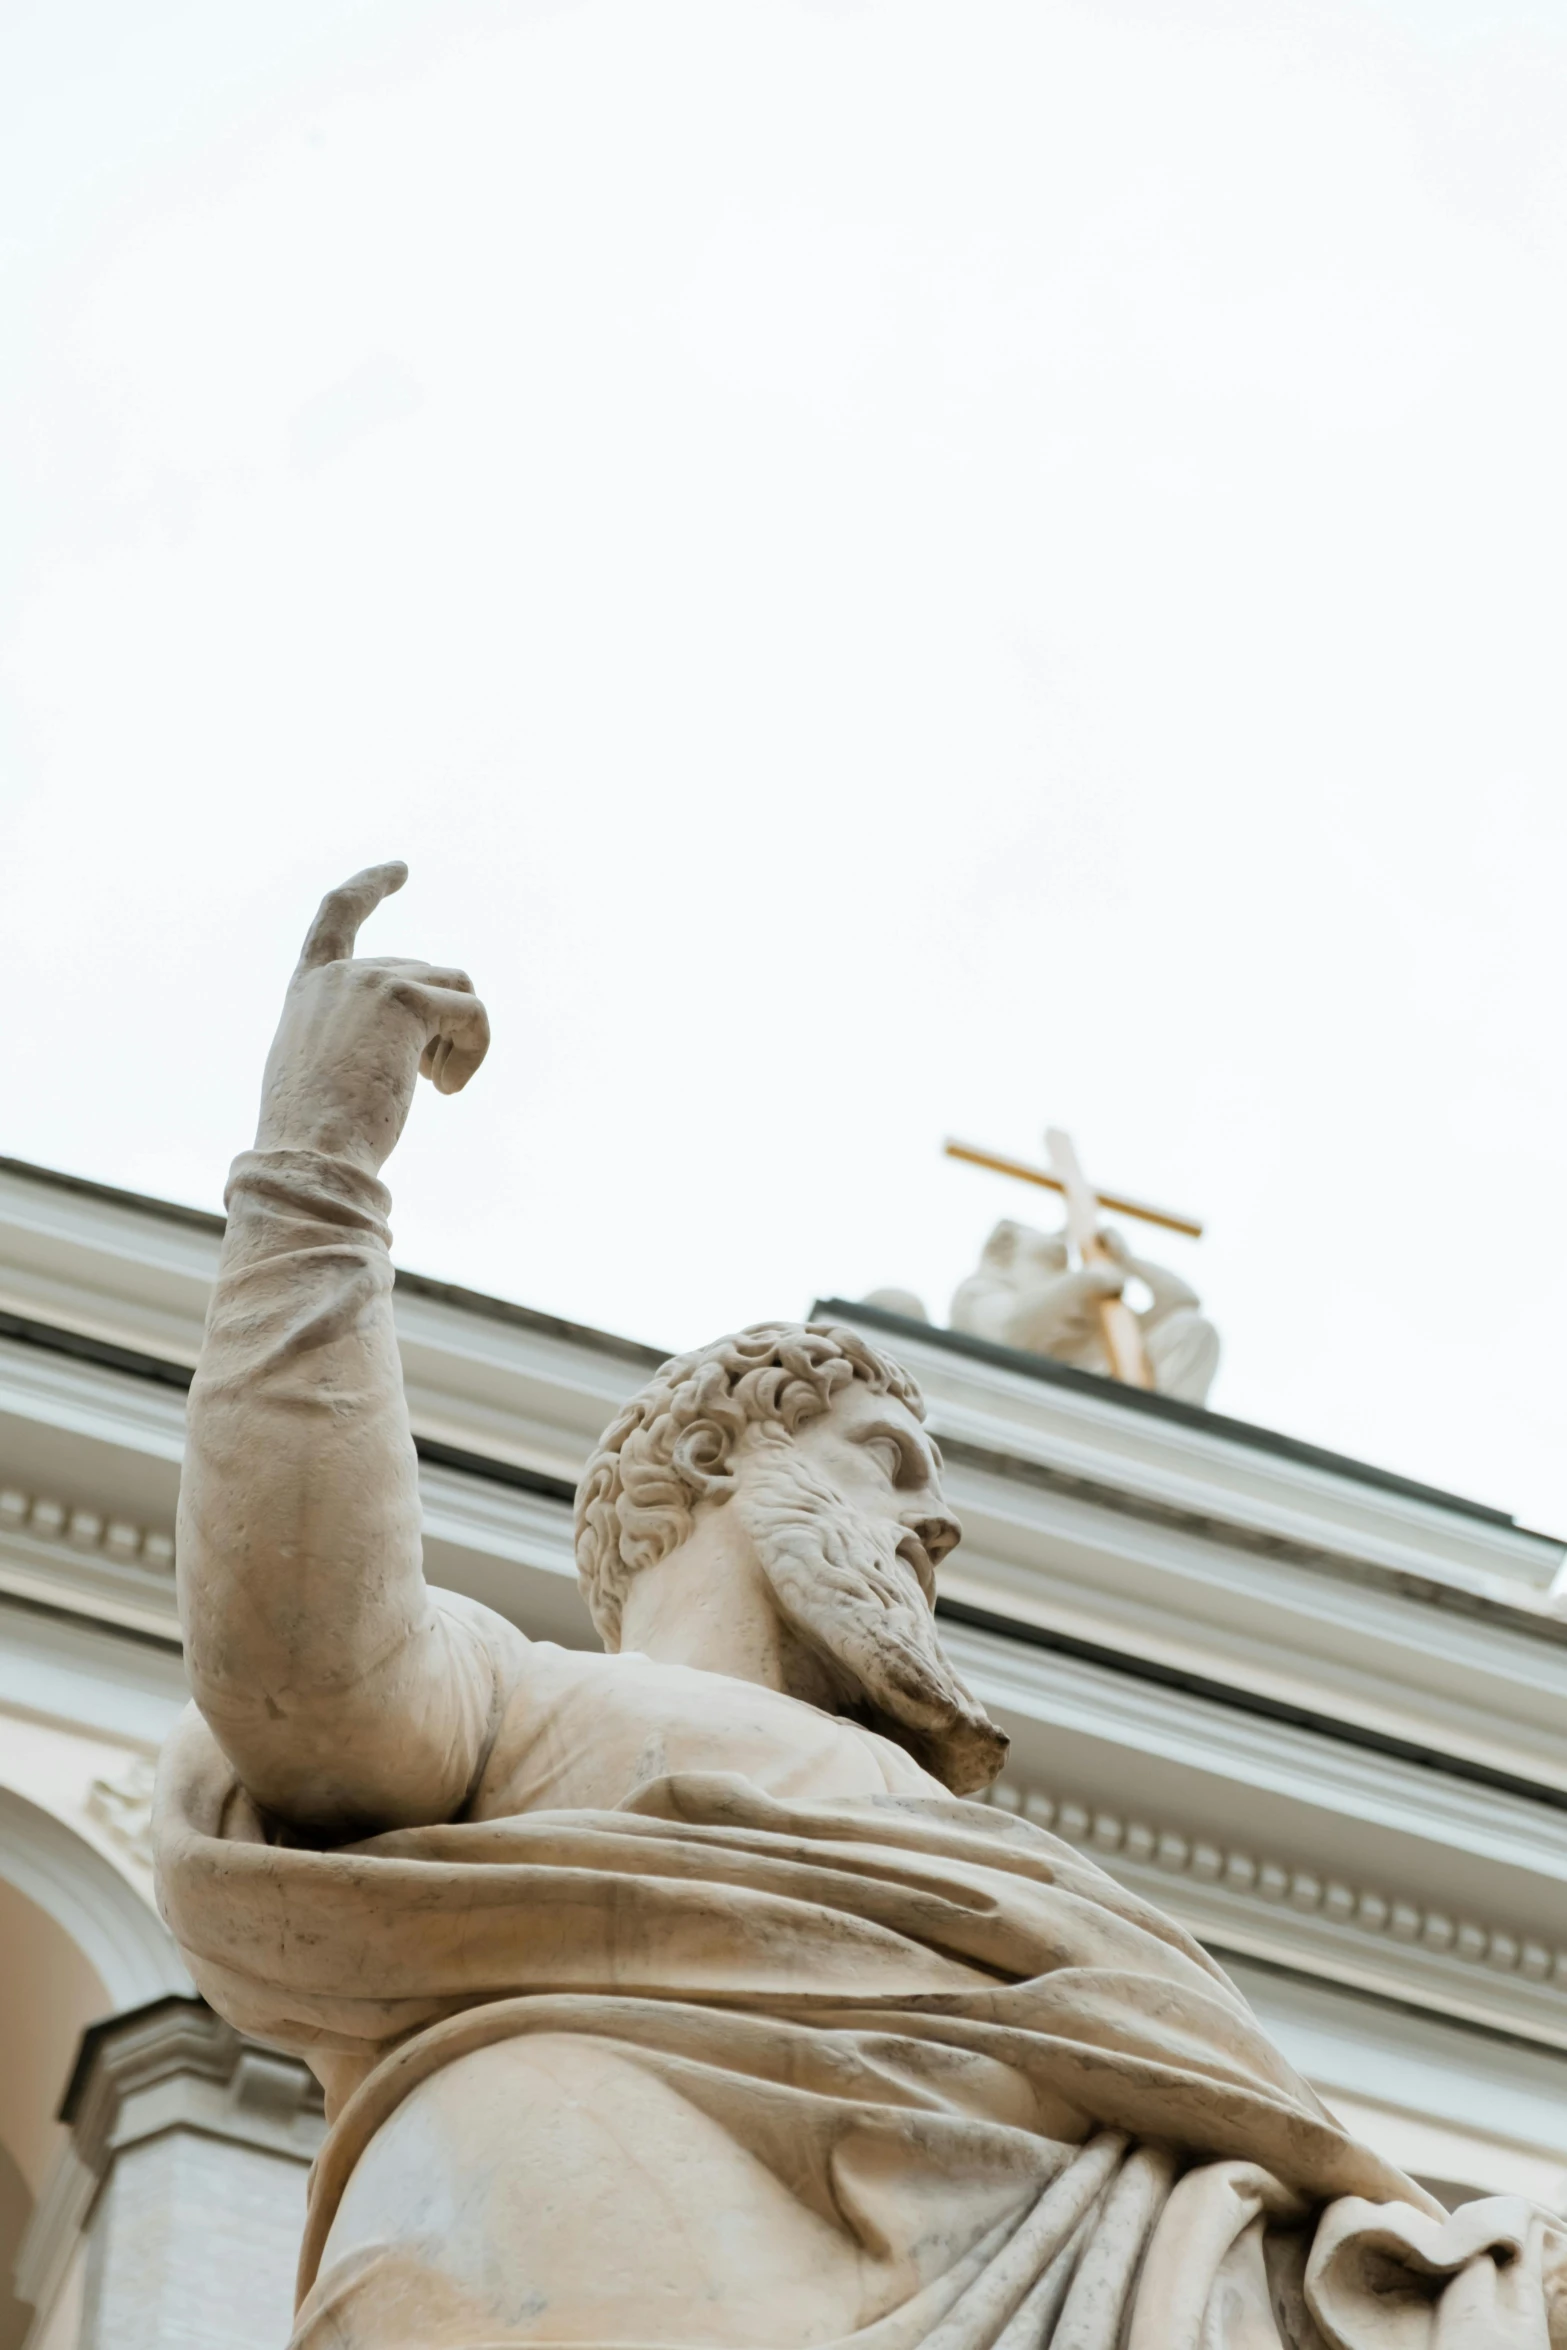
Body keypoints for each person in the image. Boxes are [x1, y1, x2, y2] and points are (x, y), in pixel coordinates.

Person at [156, 865, 1561, 2347]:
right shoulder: (525, 1699)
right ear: (714, 1456)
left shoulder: (1000, 1862)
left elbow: (1252, 2192)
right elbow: (303, 1665)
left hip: (1090, 2276)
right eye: (884, 1464)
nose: (930, 1525)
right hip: (599, 2242)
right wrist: (318, 1170)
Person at [950, 1217, 1220, 1403]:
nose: (1060, 1237)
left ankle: (1171, 1437)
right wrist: (1084, 1279)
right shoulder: (982, 1290)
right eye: (1050, 1252)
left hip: (1104, 1388)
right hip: (1026, 1400)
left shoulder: (1079, 1296)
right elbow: (1007, 1331)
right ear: (1002, 1248)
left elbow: (1183, 1302)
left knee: (1192, 1329)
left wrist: (1127, 1260)